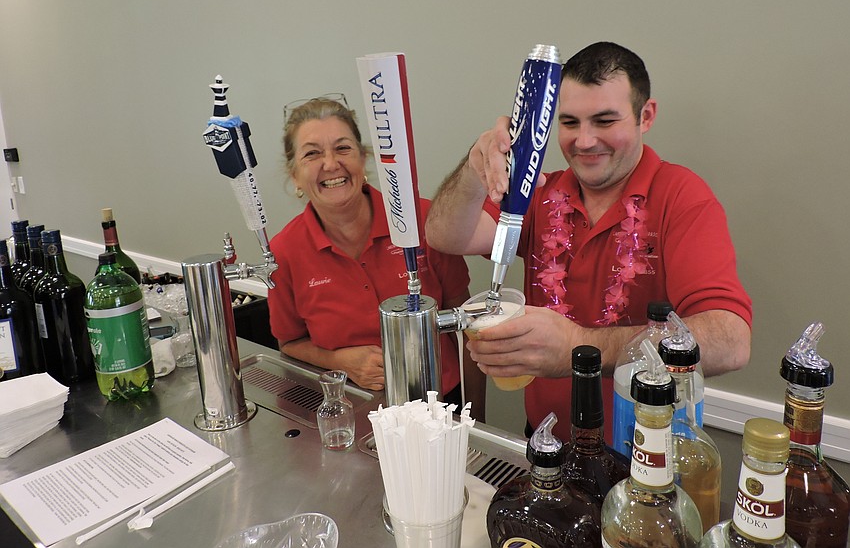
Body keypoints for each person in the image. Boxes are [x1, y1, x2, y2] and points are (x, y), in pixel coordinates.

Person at [425, 42, 751, 440]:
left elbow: (730, 341)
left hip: (645, 450)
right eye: (569, 122)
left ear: (646, 116)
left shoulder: (682, 196)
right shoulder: (541, 192)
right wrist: (474, 169)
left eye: (604, 121)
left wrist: (578, 347)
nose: (583, 141)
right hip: (546, 440)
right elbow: (445, 235)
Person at [268, 96, 486, 419]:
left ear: (363, 158)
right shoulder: (284, 252)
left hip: (442, 407)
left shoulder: (423, 220)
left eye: (343, 148)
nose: (331, 164)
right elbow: (289, 343)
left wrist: (474, 419)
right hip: (351, 414)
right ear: (295, 175)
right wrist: (342, 362)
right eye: (312, 154)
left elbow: (468, 326)